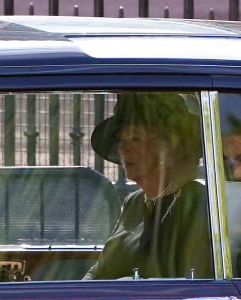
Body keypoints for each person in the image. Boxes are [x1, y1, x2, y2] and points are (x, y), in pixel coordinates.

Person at [83, 92, 213, 280]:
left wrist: (127, 286)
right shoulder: (134, 201)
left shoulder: (194, 201)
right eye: (122, 140)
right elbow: (97, 273)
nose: (124, 149)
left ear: (166, 149)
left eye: (135, 139)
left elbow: (194, 282)